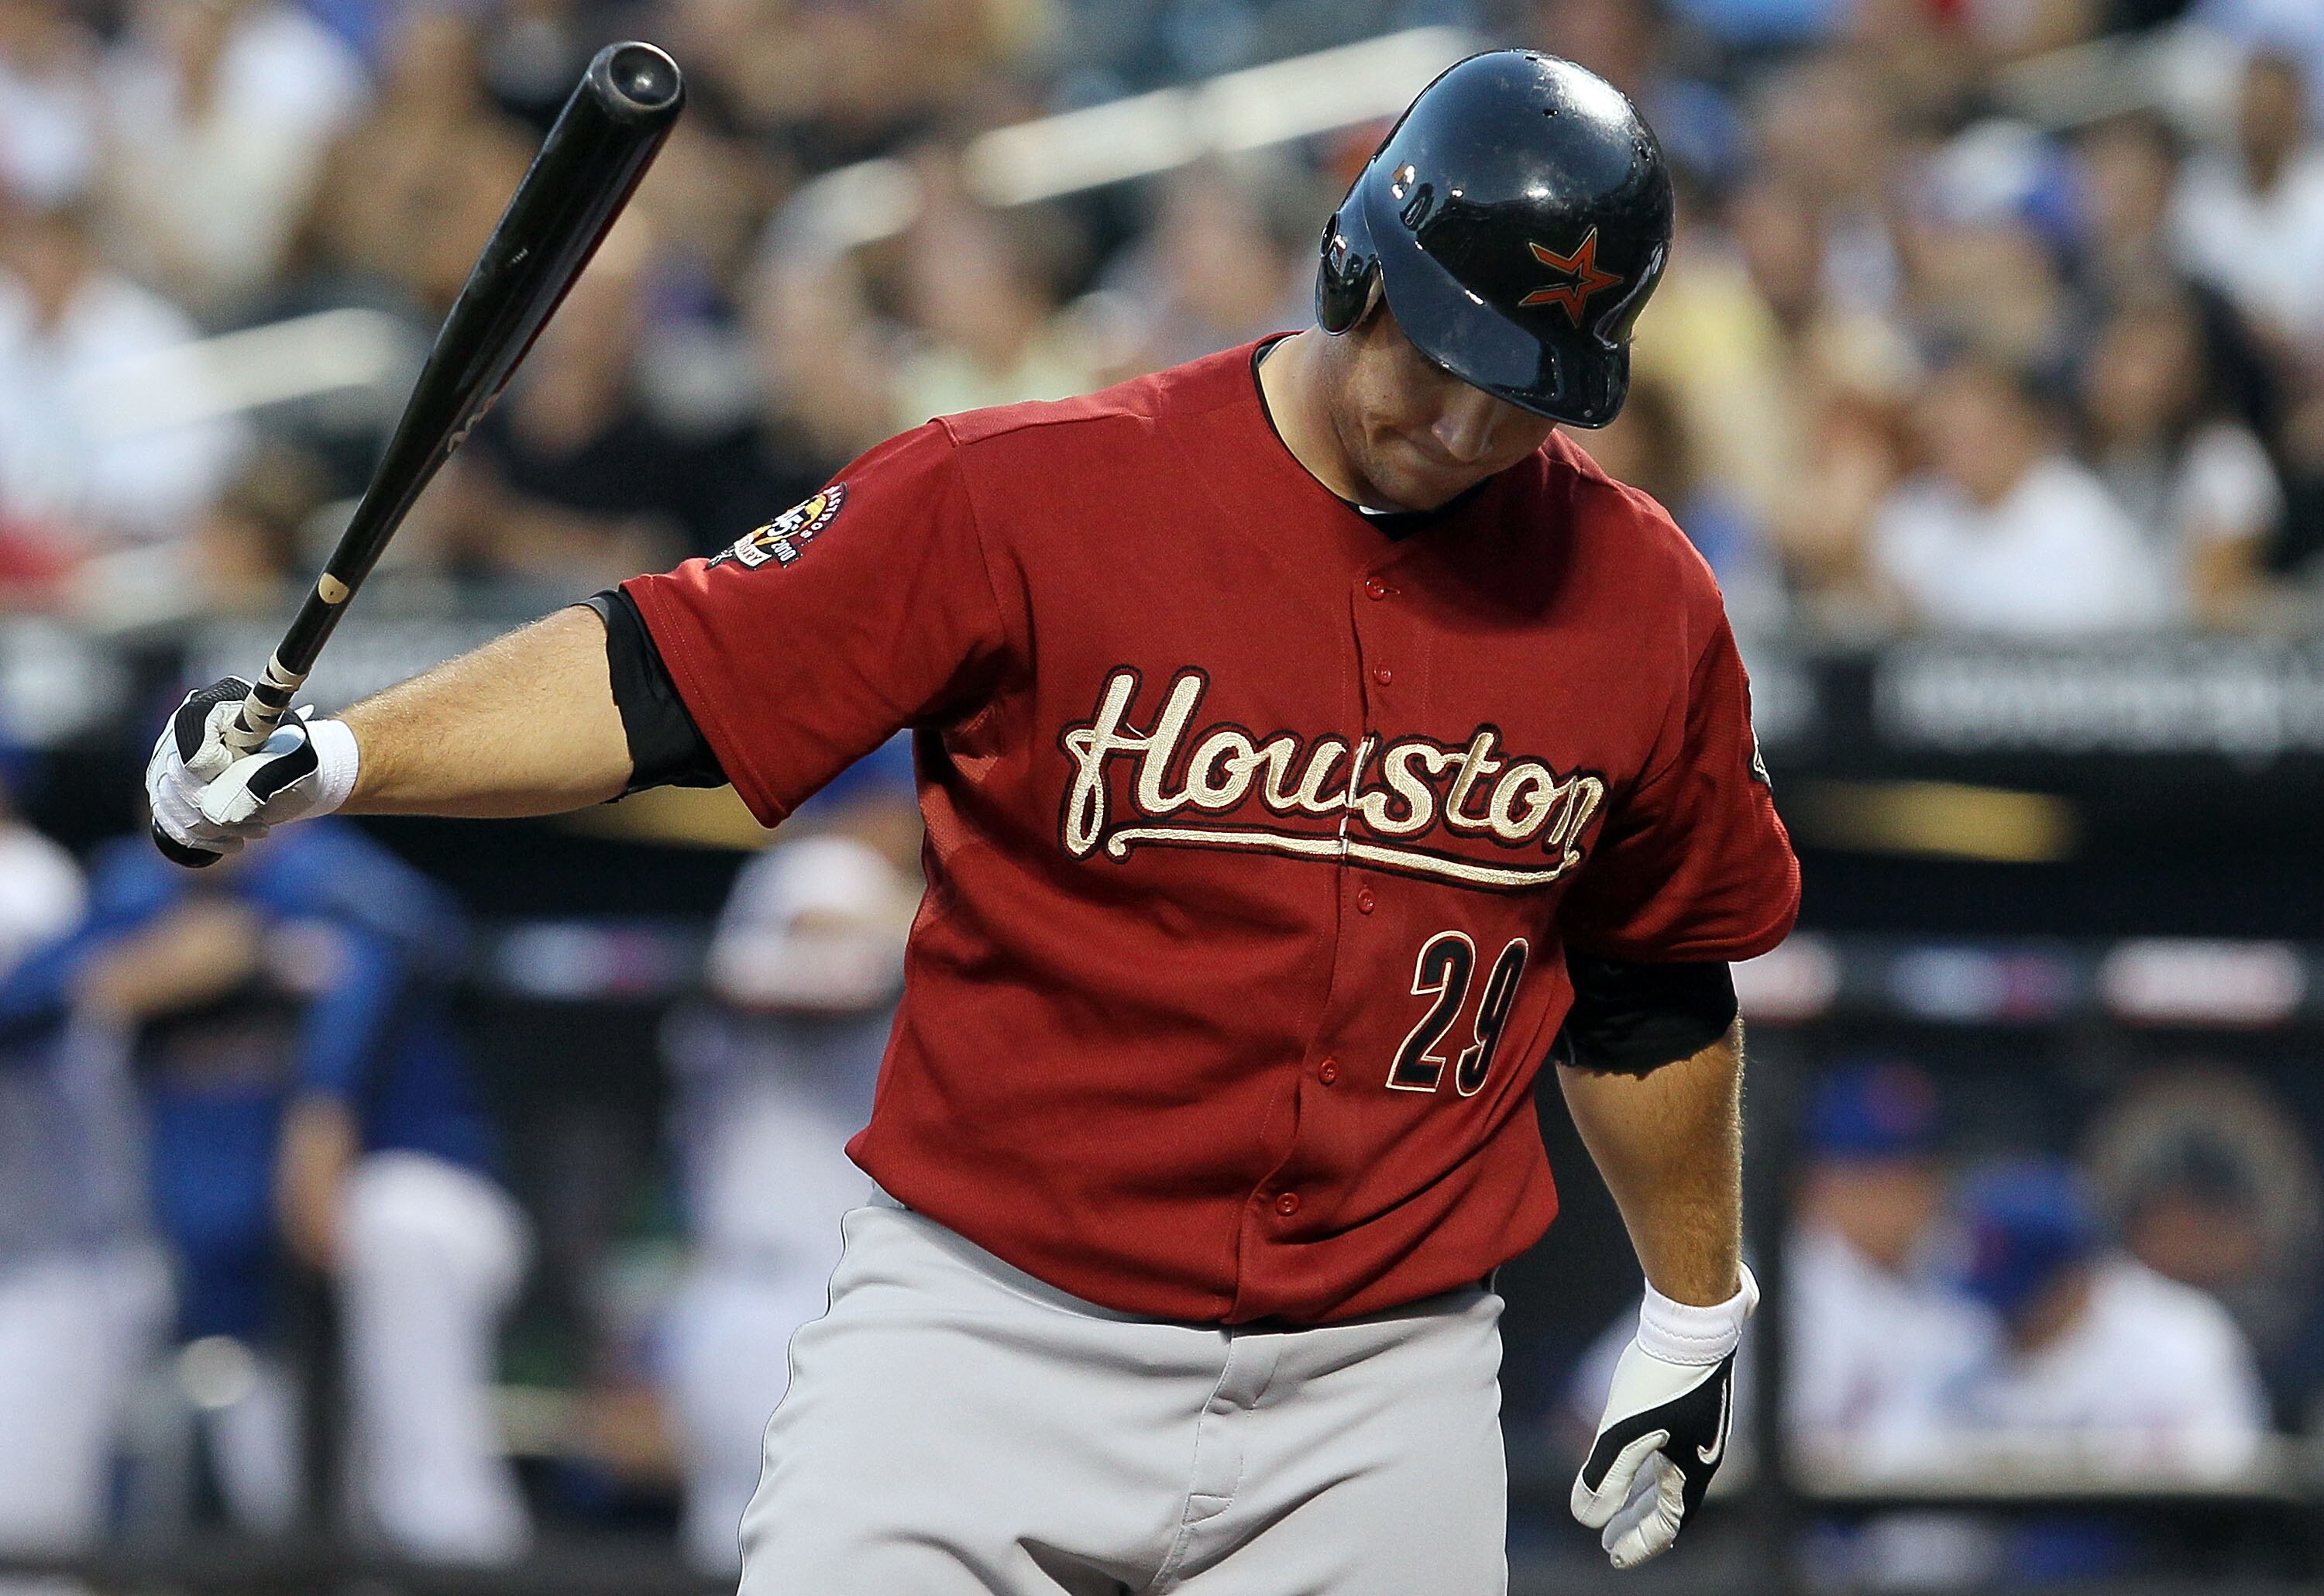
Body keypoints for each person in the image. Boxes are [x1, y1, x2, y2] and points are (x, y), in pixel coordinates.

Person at [147, 52, 1800, 1588]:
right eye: (1441, 359)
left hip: (1383, 1377)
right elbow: (668, 672)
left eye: (1521, 390)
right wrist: (343, 756)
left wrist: (1689, 1308)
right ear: (1355, 268)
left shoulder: (1643, 600)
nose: (1464, 424)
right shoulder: (1034, 490)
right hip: (989, 1328)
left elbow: (1656, 989)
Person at [4, 820, 532, 1561]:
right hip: (251, 1284)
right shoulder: (143, 896)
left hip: (399, 1211)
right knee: (288, 1522)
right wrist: (126, 972)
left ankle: (460, 1550)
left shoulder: (334, 878)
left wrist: (268, 957)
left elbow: (423, 935)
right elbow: (20, 1004)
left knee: (425, 1496)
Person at [661, 833, 913, 1571]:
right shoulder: (829, 868)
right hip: (784, 1292)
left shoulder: (764, 891)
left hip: (778, 1289)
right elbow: (828, 938)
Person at [1871, 353, 2167, 634]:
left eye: (1976, 435)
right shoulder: (1915, 512)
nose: (1960, 453)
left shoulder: (2081, 523)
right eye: (1948, 437)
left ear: (2021, 425)